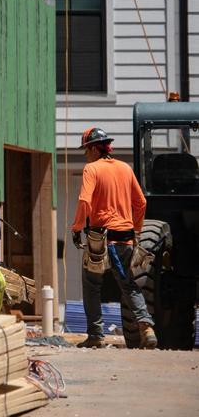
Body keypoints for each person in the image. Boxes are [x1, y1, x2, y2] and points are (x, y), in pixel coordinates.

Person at [70, 127, 157, 349]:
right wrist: (135, 229)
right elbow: (141, 203)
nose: (86, 155)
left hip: (101, 238)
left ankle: (96, 335)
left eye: (86, 150)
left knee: (91, 284)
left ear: (93, 149)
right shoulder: (125, 169)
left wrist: (77, 227)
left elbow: (85, 202)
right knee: (128, 283)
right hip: (125, 237)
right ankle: (146, 328)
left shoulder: (92, 169)